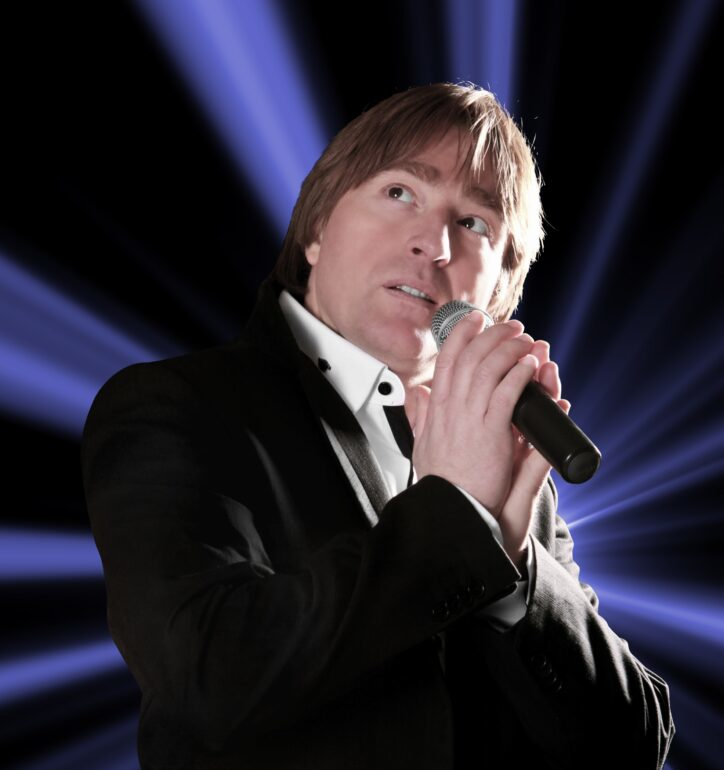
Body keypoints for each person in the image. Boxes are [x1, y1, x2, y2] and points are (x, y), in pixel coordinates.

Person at [81, 82, 674, 769]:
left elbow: (633, 747)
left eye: (474, 223)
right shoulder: (175, 406)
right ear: (315, 231)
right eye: (400, 192)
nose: (435, 244)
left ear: (498, 294)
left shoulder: (517, 476)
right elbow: (207, 680)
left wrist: (513, 572)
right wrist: (459, 518)